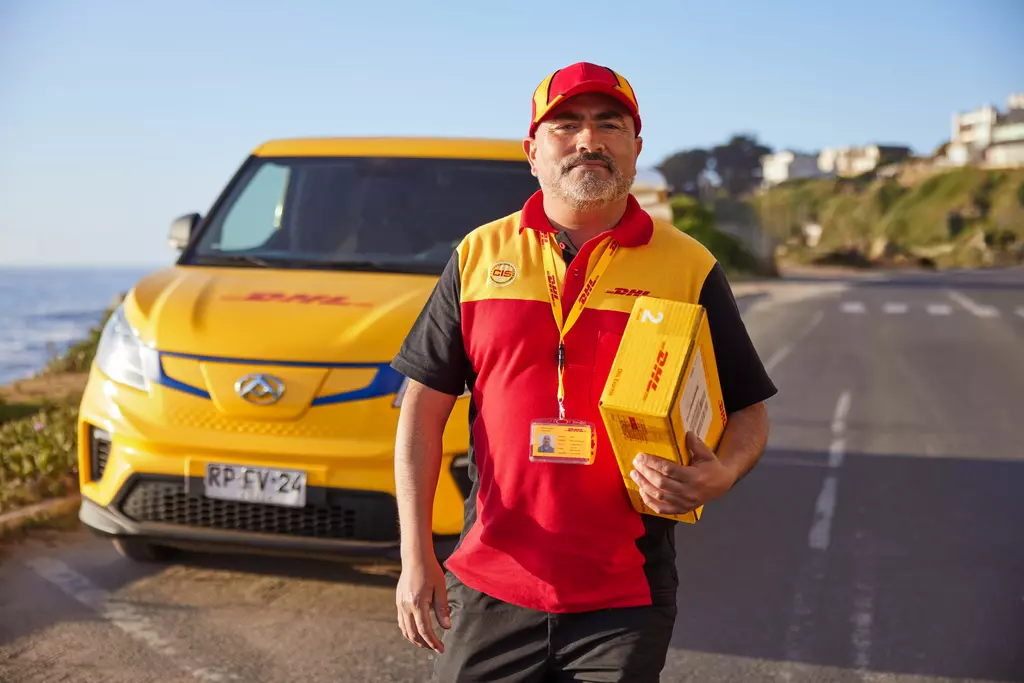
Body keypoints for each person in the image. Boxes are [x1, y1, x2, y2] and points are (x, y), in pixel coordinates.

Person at [390, 61, 777, 682]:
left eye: (609, 125)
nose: (588, 141)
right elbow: (421, 411)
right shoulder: (478, 255)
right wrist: (415, 556)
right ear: (533, 152)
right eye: (565, 125)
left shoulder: (689, 266)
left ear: (636, 149)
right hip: (490, 582)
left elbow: (748, 409)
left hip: (624, 597)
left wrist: (722, 474)